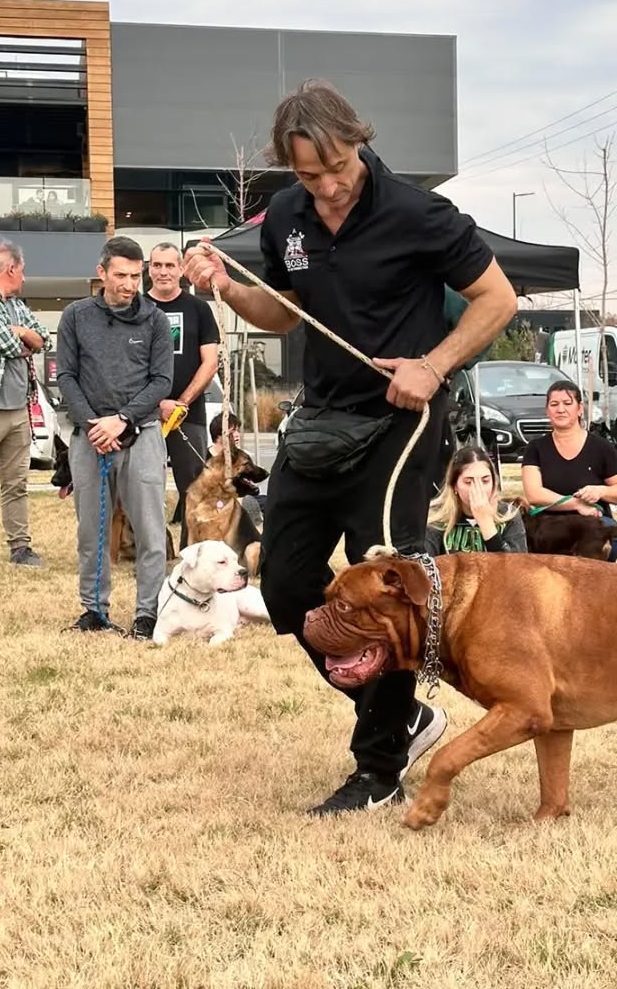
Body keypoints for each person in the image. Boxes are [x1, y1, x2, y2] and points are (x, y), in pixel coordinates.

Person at [184, 79, 517, 815]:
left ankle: (379, 766)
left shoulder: (421, 215)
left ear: (359, 143)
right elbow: (283, 312)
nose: (328, 187)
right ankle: (402, 716)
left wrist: (435, 365)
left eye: (337, 168)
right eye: (309, 175)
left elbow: (500, 300)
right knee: (286, 581)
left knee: (382, 581)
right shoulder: (289, 219)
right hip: (323, 416)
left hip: (403, 419)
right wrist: (227, 291)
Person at [57, 236, 173, 636]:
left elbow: (161, 381)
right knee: (91, 531)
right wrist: (94, 425)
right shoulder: (75, 316)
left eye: (135, 276)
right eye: (121, 275)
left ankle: (148, 613)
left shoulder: (156, 320)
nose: (129, 284)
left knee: (150, 531)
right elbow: (66, 376)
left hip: (140, 435)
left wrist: (122, 419)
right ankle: (93, 610)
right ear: (101, 273)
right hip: (89, 439)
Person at [0, 240, 51, 566]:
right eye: (22, 270)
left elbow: (43, 339)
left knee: (16, 483)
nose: (24, 276)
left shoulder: (18, 305)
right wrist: (21, 338)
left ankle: (20, 547)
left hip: (18, 408)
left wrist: (22, 332)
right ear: (11, 268)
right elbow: (5, 343)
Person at [147, 242, 220, 550]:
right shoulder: (135, 307)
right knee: (144, 486)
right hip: (143, 413)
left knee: (194, 488)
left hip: (188, 414)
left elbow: (211, 361)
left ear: (180, 269)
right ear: (148, 269)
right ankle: (151, 550)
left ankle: (193, 551)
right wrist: (156, 403)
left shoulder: (198, 309)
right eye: (157, 265)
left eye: (169, 265)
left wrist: (182, 403)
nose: (163, 272)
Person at [521, 380, 617, 561]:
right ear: (547, 410)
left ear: (580, 408)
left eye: (567, 403)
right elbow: (534, 494)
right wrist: (577, 504)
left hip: (592, 526)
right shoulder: (536, 448)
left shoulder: (601, 447)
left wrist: (601, 490)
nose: (560, 409)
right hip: (549, 531)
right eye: (554, 404)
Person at [425, 445, 527, 555]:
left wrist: (486, 523)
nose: (479, 489)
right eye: (468, 482)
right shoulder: (436, 517)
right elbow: (424, 565)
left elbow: (516, 566)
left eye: (485, 481)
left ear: (494, 482)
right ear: (454, 485)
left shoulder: (509, 515)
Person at [208, 410, 265, 526]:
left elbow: (252, 484)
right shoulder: (205, 459)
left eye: (238, 431)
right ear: (219, 435)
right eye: (233, 431)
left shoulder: (240, 457)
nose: (237, 434)